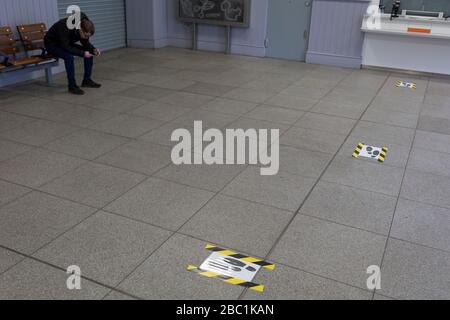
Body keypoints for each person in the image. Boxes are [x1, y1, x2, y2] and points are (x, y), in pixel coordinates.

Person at [44, 12, 101, 95]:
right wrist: (82, 53)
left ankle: (87, 80)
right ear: (80, 29)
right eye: (85, 35)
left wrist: (93, 49)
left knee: (89, 52)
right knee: (69, 57)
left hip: (65, 43)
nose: (87, 38)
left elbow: (85, 42)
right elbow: (66, 47)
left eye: (88, 36)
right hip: (52, 44)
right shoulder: (65, 25)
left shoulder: (84, 23)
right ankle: (72, 86)